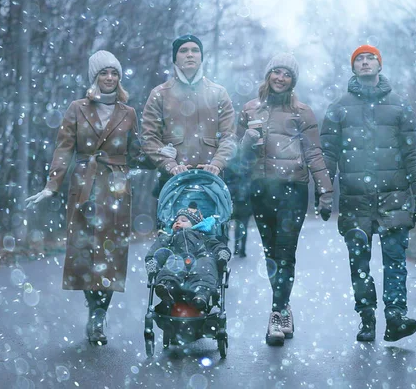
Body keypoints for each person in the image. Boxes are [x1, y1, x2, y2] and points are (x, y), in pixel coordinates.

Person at [25, 50, 148, 345]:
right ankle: (93, 307)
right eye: (103, 73)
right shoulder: (77, 108)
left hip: (117, 187)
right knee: (83, 253)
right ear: (94, 77)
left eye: (114, 73)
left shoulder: (128, 113)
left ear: (119, 78)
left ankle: (98, 315)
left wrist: (163, 156)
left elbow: (136, 153)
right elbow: (64, 148)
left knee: (110, 254)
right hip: (84, 186)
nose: (109, 78)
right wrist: (51, 185)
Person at [320, 45, 416, 342]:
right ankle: (367, 317)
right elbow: (327, 155)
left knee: (395, 259)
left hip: (394, 195)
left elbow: (413, 153)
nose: (365, 62)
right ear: (353, 67)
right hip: (356, 199)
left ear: (379, 65)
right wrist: (325, 193)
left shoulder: (399, 106)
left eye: (370, 58)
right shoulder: (339, 107)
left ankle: (395, 317)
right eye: (359, 59)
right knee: (360, 263)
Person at [238, 53, 334, 346]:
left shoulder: (302, 112)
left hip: (293, 189)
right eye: (276, 72)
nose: (280, 77)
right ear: (268, 76)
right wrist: (248, 137)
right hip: (261, 189)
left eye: (287, 74)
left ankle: (277, 313)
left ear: (293, 81)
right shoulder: (249, 109)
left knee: (286, 252)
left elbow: (314, 153)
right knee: (271, 254)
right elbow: (239, 156)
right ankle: (284, 305)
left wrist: (325, 191)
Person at [141, 34, 236, 195]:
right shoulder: (159, 94)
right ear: (175, 59)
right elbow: (149, 138)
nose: (190, 54)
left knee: (212, 221)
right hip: (171, 182)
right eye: (183, 51)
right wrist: (170, 164)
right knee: (172, 221)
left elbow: (229, 137)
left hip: (212, 181)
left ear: (201, 57)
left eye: (195, 50)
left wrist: (217, 164)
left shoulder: (219, 93)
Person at [144, 202, 231, 312]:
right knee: (174, 261)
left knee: (206, 262)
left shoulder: (203, 237)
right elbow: (157, 251)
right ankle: (168, 287)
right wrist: (153, 263)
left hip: (199, 261)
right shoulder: (169, 238)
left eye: (184, 220)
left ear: (195, 225)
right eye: (176, 221)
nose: (178, 222)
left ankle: (201, 293)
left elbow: (217, 246)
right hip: (178, 264)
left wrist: (222, 253)